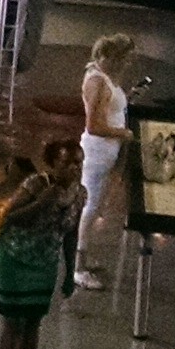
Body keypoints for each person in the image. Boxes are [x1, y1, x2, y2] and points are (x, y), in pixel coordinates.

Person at [0, 144, 80, 349]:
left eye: (78, 162)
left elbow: (71, 234)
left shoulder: (79, 194)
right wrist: (40, 204)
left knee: (32, 324)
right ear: (52, 164)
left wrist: (70, 272)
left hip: (44, 264)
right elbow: (6, 218)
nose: (74, 168)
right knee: (13, 323)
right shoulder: (35, 185)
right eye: (67, 163)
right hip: (14, 259)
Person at [74, 34, 139, 289]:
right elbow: (94, 126)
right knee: (89, 207)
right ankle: (78, 268)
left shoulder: (105, 78)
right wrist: (124, 133)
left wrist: (127, 97)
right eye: (126, 59)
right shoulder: (97, 81)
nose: (127, 65)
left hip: (107, 152)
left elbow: (110, 109)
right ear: (113, 57)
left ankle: (82, 256)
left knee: (95, 206)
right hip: (98, 153)